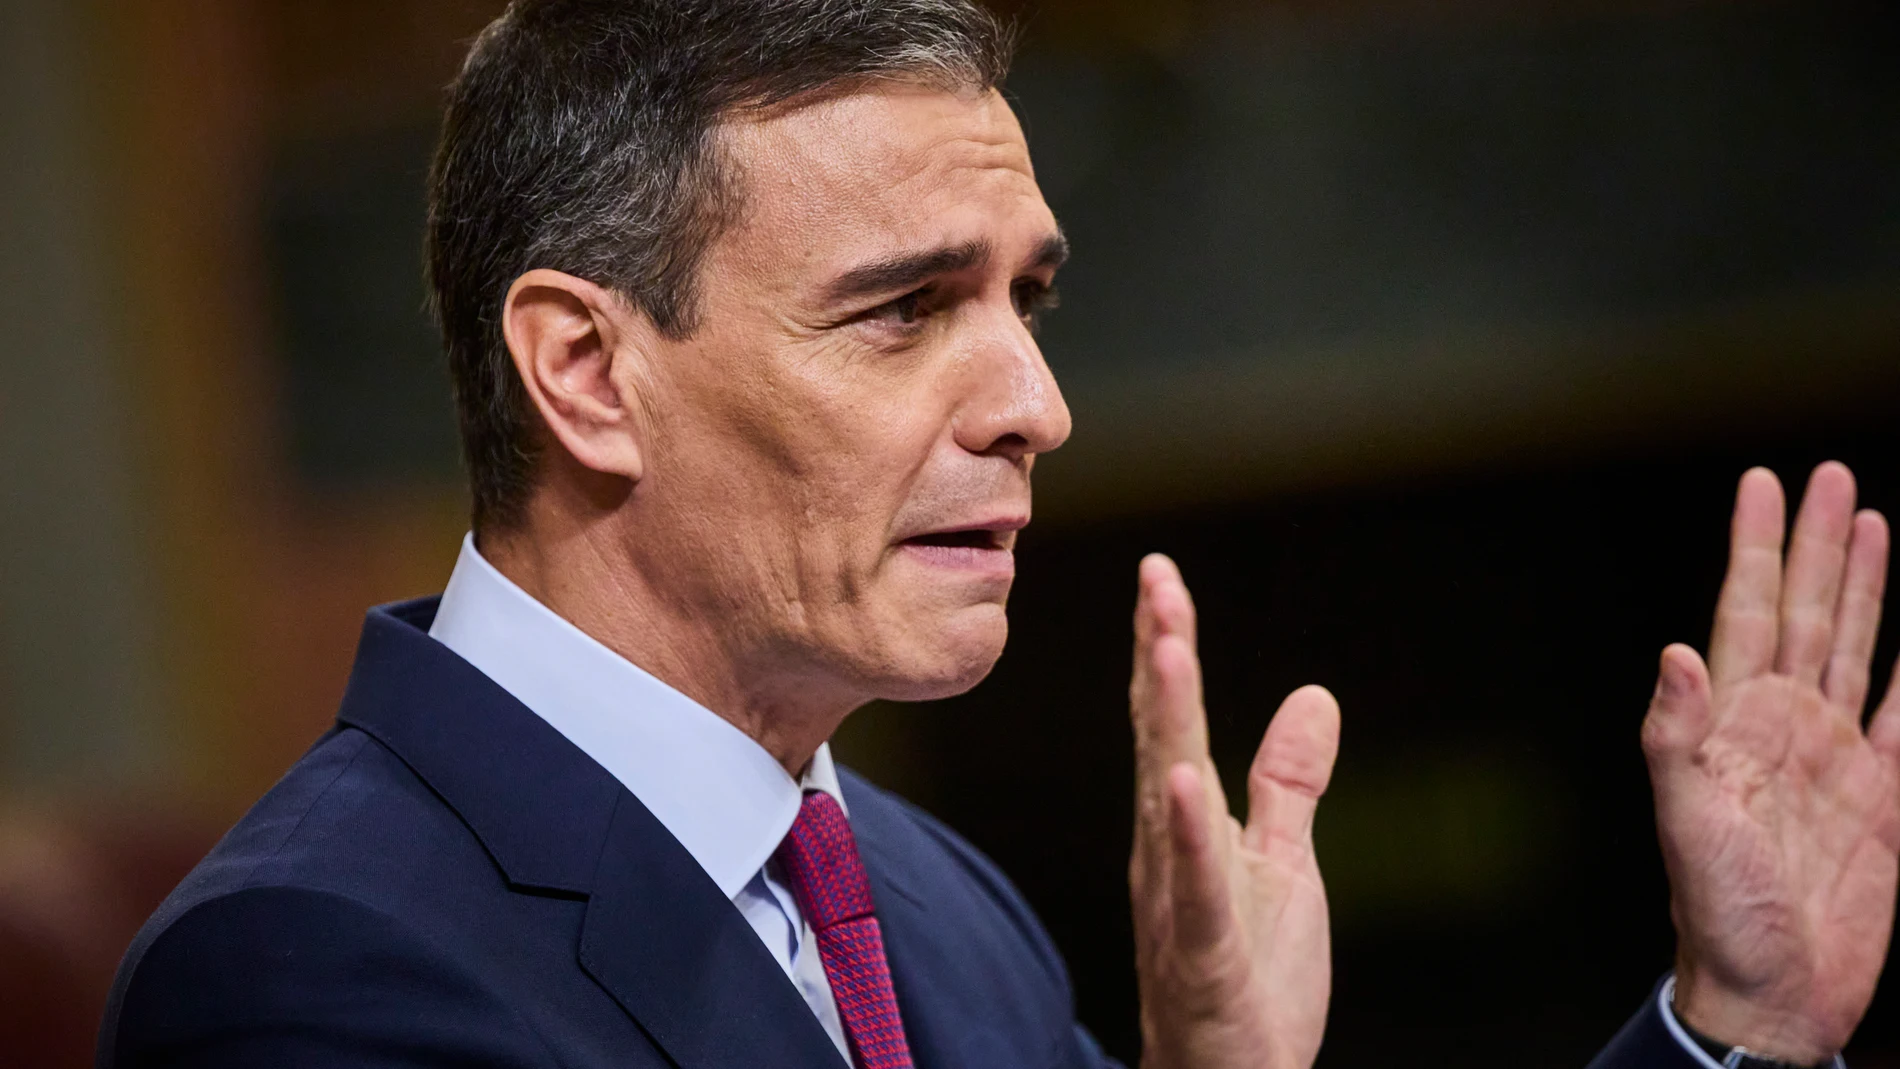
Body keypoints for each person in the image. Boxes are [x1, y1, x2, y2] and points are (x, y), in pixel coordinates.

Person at [98, 2, 1900, 1067]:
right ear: (584, 370)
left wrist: (1725, 1029)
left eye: (1025, 300)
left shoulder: (932, 908)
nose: (1034, 403)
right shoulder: (311, 973)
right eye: (901, 310)